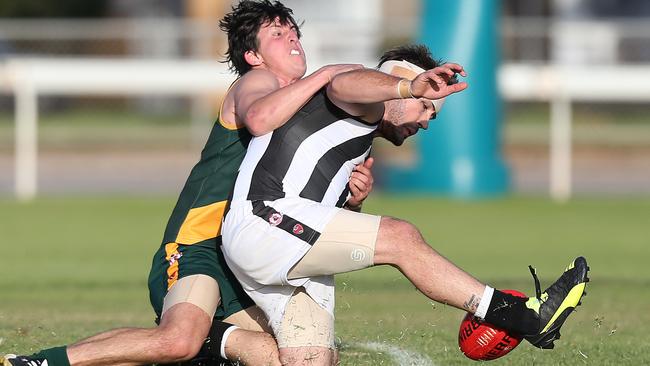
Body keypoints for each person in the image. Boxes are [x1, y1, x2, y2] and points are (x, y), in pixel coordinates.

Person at [2, 1, 373, 366]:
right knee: (178, 341)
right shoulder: (260, 82)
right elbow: (260, 118)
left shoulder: (304, 107)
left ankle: (210, 340)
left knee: (302, 355)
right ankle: (37, 364)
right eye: (277, 33)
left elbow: (302, 201)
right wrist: (324, 75)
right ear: (253, 56)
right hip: (201, 244)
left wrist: (351, 201)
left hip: (248, 256)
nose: (293, 39)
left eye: (294, 32)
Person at [220, 42, 591, 365]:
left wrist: (351, 206)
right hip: (262, 222)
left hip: (281, 242)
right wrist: (406, 86)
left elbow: (328, 232)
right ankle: (524, 317)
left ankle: (203, 343)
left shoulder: (357, 134)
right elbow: (342, 82)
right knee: (401, 237)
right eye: (428, 107)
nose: (428, 122)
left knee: (313, 361)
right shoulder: (366, 100)